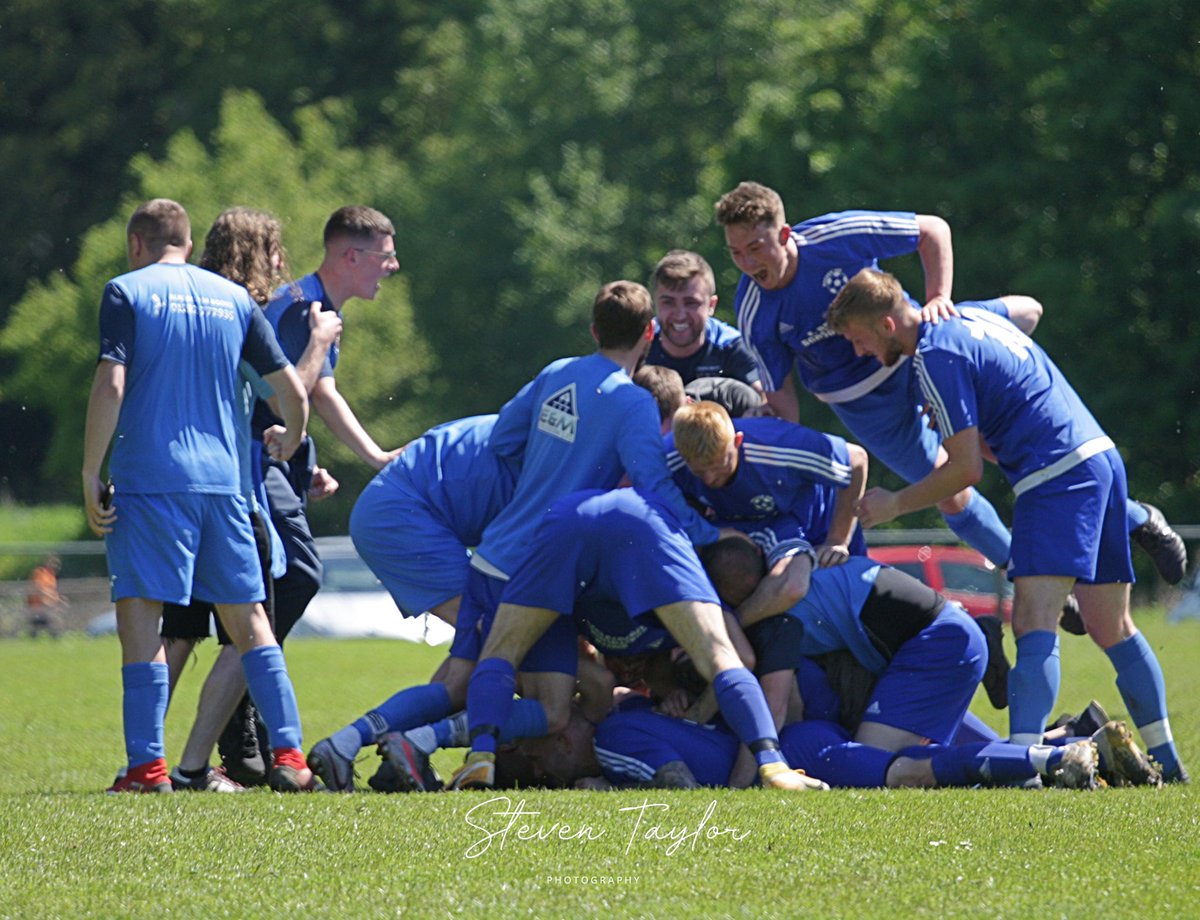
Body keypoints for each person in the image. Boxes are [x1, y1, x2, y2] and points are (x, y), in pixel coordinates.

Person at [713, 181, 1187, 583]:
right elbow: (784, 399)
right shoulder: (756, 311)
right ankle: (1019, 570)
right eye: (736, 253)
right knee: (951, 489)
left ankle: (1138, 520)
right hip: (866, 404)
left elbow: (932, 229)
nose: (749, 263)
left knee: (1026, 312)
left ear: (786, 233)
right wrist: (786, 460)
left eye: (756, 248)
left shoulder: (837, 236)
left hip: (916, 349)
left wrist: (940, 298)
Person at [825, 268, 1189, 782]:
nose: (861, 353)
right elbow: (1030, 309)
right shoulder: (968, 314)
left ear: (887, 323)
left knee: (1033, 622)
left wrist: (894, 504)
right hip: (1101, 458)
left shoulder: (934, 357)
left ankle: (1022, 769)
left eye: (859, 340)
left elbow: (964, 470)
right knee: (1112, 627)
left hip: (1054, 474)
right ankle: (1170, 763)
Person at [81, 198, 317, 793]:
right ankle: (291, 758)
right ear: (186, 243)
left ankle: (147, 768)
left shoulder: (126, 291)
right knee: (251, 623)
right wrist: (293, 435)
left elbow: (112, 382)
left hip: (151, 479)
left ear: (138, 244)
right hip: (224, 485)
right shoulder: (234, 299)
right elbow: (291, 387)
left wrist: (90, 471)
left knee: (143, 618)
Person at [447, 487, 828, 793]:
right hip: (639, 524)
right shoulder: (679, 565)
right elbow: (736, 660)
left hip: (567, 520)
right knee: (718, 656)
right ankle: (773, 764)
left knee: (501, 651)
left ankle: (481, 757)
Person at [667, 399, 868, 624]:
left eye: (719, 466)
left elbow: (856, 460)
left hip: (809, 521)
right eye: (699, 472)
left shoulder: (777, 445)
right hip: (733, 520)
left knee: (844, 600)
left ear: (737, 441)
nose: (710, 479)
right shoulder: (671, 456)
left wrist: (837, 539)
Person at [645, 249, 762, 392]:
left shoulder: (732, 346)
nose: (680, 315)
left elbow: (764, 398)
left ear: (711, 305)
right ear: (655, 303)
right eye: (668, 302)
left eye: (691, 303)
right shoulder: (639, 343)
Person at [26, 554, 67, 638]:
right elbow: (39, 589)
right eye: (53, 563)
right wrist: (50, 600)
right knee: (51, 624)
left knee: (47, 626)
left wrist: (58, 599)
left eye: (57, 564)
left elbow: (52, 591)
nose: (55, 565)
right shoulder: (40, 573)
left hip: (47, 607)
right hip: (38, 606)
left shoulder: (51, 576)